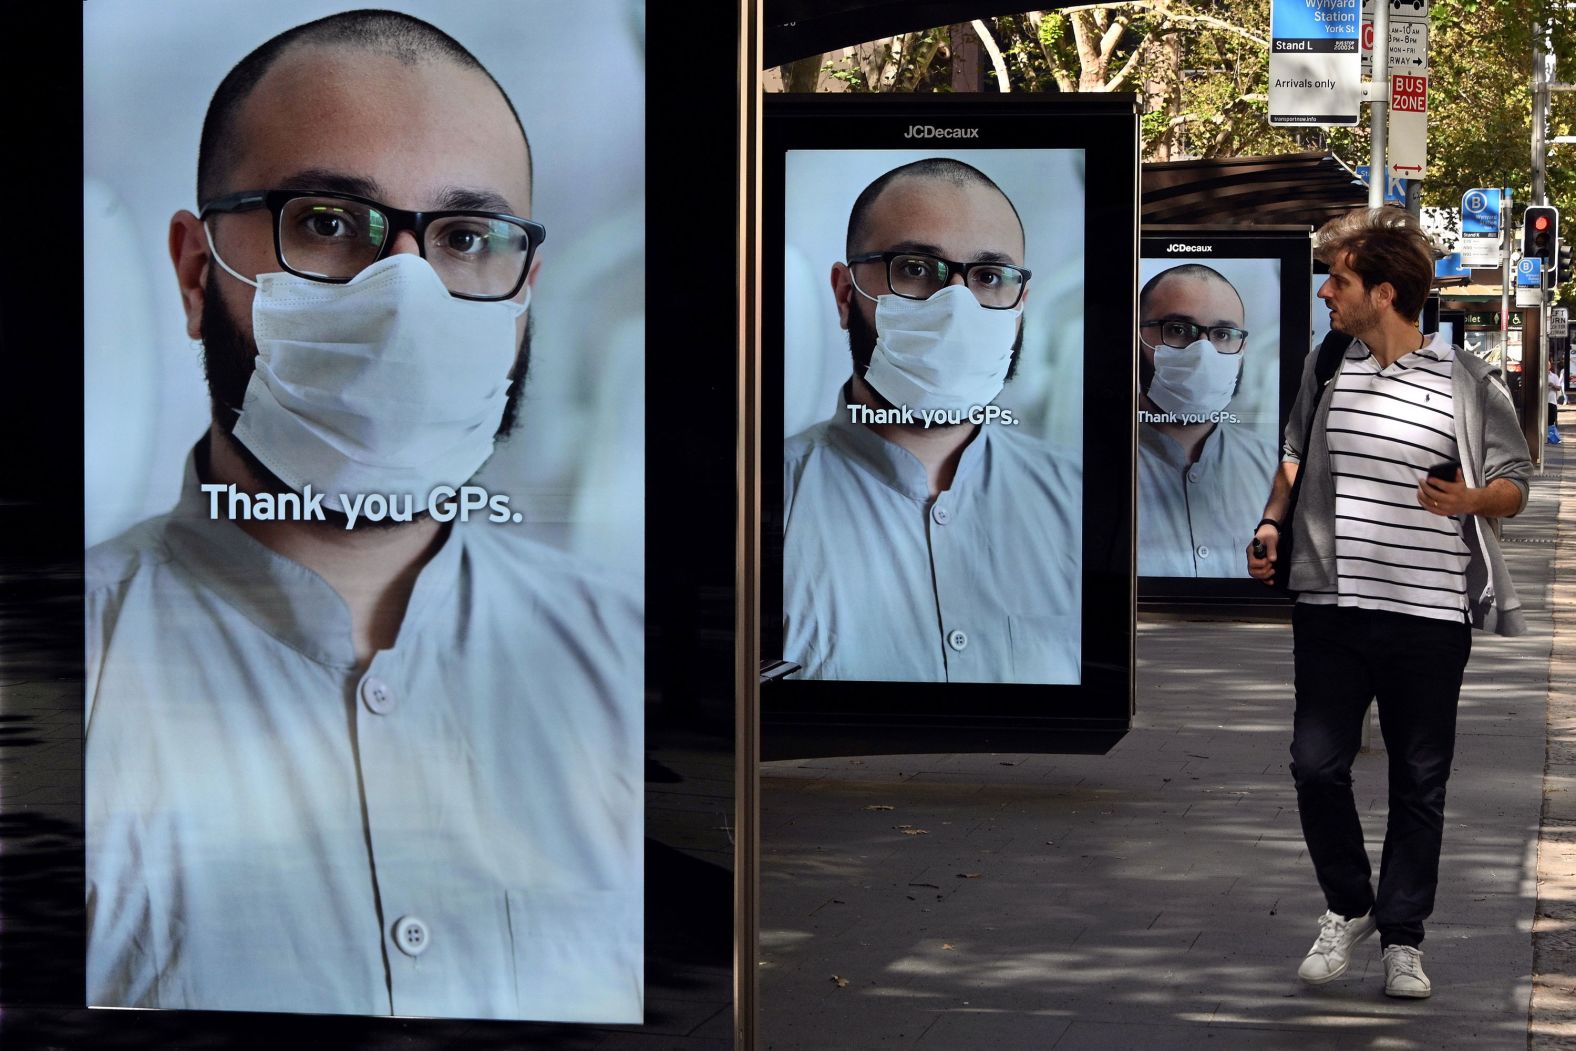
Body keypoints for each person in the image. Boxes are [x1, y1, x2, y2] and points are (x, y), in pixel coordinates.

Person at [84, 11, 641, 1021]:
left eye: (468, 238)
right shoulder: (50, 676)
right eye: (331, 224)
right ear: (196, 269)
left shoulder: (638, 672)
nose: (408, 297)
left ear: (522, 294)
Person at [1247, 207, 1531, 999]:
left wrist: (1474, 496)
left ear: (1383, 290)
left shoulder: (1467, 380)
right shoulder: (1329, 361)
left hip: (1430, 615)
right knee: (1315, 765)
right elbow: (1296, 452)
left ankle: (1403, 937)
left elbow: (1517, 484)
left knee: (1419, 779)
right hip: (1333, 604)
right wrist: (1272, 523)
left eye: (1336, 280)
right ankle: (1349, 904)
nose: (1325, 292)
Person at [781, 158, 1081, 684]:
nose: (957, 306)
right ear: (845, 294)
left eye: (989, 277)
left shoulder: (1079, 500)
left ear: (1019, 305)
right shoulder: (764, 503)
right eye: (916, 269)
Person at [1137, 264, 1278, 577]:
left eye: (1223, 334)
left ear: (1242, 346)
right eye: (1177, 329)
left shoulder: (1274, 470)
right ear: (1137, 336)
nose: (1203, 351)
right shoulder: (1083, 470)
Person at [1549, 365, 1566, 445]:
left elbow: (1559, 388)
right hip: (1542, 402)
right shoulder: (1540, 376)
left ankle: (1553, 438)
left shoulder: (1554, 376)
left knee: (1552, 420)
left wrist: (1553, 385)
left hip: (1552, 401)